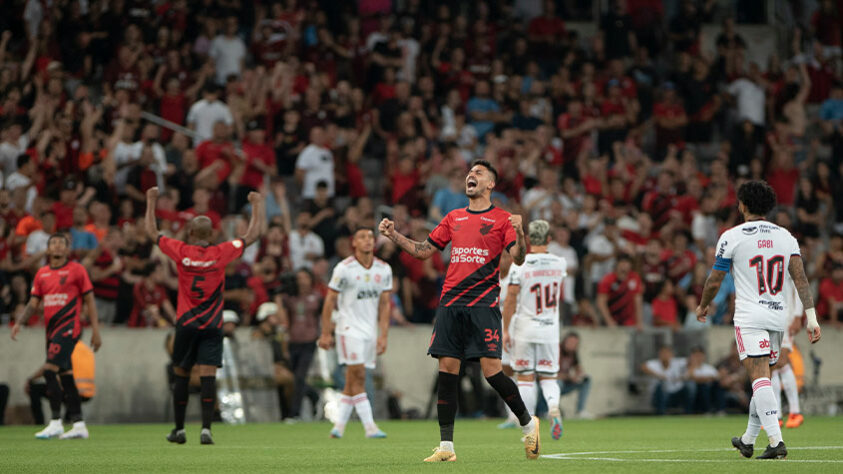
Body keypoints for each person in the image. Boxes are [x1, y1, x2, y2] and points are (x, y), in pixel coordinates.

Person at [379, 159, 539, 462]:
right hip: (451, 304)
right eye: (470, 172)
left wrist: (520, 232)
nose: (471, 175)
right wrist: (393, 236)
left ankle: (529, 425)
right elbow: (424, 250)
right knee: (447, 372)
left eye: (478, 173)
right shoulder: (454, 217)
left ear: (490, 184)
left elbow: (517, 259)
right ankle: (446, 448)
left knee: (492, 372)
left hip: (483, 304)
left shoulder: (504, 219)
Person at [695, 180, 821, 460]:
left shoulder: (732, 236)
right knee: (762, 376)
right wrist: (811, 318)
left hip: (750, 316)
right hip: (778, 317)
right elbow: (800, 279)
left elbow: (715, 278)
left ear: (742, 205)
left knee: (759, 377)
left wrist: (704, 305)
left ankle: (776, 442)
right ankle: (748, 440)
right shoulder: (786, 237)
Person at [145, 186, 264, 445]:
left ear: (189, 233)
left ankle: (179, 429)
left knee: (182, 375)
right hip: (212, 324)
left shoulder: (181, 250)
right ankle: (207, 429)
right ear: (211, 234)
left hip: (187, 323)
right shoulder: (220, 252)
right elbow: (253, 234)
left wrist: (151, 200)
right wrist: (256, 204)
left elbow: (152, 233)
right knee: (209, 375)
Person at [10, 233, 102, 439]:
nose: (58, 247)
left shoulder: (77, 270)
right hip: (50, 332)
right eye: (54, 243)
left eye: (62, 244)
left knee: (50, 371)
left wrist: (95, 330)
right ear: (48, 249)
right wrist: (19, 322)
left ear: (68, 250)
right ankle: (79, 425)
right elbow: (33, 304)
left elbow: (89, 300)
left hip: (69, 328)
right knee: (66, 377)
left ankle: (55, 421)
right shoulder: (42, 274)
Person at [318, 227, 392, 439]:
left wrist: (383, 335)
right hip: (347, 328)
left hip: (370, 330)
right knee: (359, 375)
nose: (367, 240)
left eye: (370, 237)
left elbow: (385, 304)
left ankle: (338, 427)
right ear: (354, 243)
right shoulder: (344, 268)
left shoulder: (384, 269)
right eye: (362, 237)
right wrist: (325, 333)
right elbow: (330, 300)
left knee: (352, 380)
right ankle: (370, 427)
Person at [502, 219, 566, 441]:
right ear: (549, 239)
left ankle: (530, 427)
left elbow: (510, 299)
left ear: (528, 239)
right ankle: (554, 408)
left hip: (525, 328)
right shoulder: (560, 263)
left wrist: (505, 329)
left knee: (525, 379)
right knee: (549, 377)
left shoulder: (520, 264)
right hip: (550, 329)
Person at [770, 275, 804, 428]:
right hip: (769, 315)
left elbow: (799, 285)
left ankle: (794, 412)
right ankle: (777, 415)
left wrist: (797, 316)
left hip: (785, 316)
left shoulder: (787, 253)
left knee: (780, 361)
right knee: (772, 364)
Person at [641, 345, 694, 415]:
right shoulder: (654, 363)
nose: (665, 355)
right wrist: (659, 376)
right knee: (660, 385)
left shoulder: (677, 362)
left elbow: (692, 362)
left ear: (672, 355)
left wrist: (685, 376)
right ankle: (661, 413)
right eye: (663, 353)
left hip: (677, 394)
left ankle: (688, 412)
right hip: (661, 395)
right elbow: (643, 367)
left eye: (667, 353)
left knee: (690, 384)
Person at [558, 332, 592, 419]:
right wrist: (569, 377)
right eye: (570, 342)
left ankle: (580, 411)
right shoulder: (557, 351)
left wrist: (579, 375)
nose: (572, 345)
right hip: (552, 384)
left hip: (566, 382)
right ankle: (548, 410)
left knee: (586, 380)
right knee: (558, 383)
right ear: (564, 341)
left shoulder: (573, 353)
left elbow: (578, 368)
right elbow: (549, 376)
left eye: (574, 343)